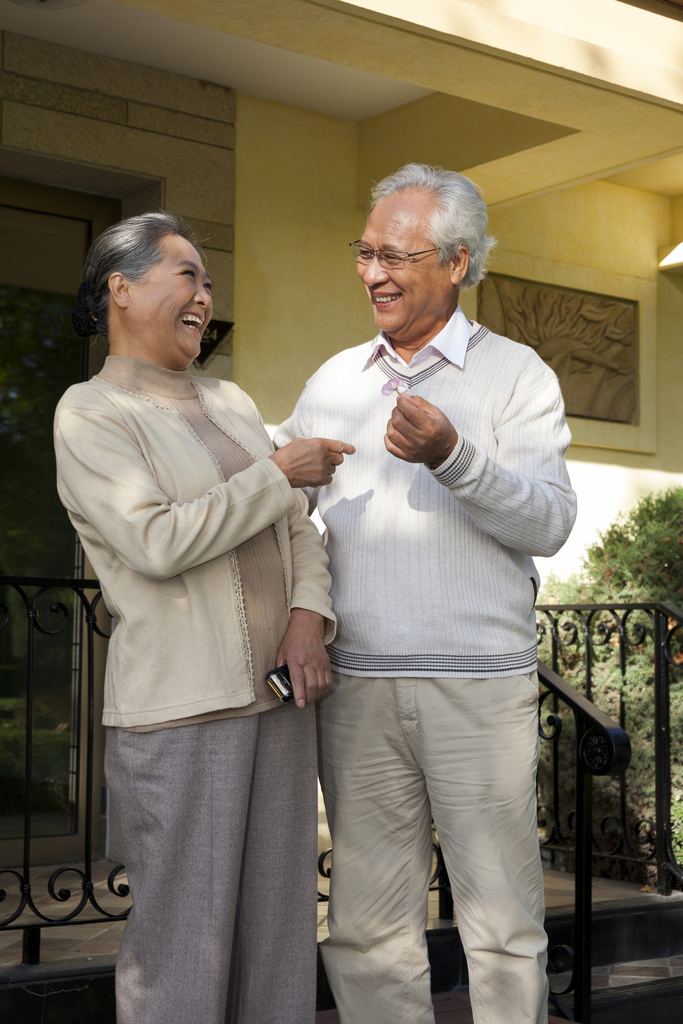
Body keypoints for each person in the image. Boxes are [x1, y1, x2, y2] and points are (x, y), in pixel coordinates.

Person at [275, 164, 577, 1024]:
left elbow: (549, 522)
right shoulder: (333, 380)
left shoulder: (517, 376)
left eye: (395, 255)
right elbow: (290, 517)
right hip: (357, 689)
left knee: (502, 926)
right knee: (367, 930)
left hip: (478, 690)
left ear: (457, 262)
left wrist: (455, 457)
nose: (372, 271)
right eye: (364, 251)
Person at [54, 212, 354, 1024]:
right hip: (181, 714)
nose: (204, 295)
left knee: (279, 936)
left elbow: (299, 530)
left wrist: (305, 622)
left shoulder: (229, 400)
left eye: (208, 280)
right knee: (184, 945)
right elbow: (153, 541)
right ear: (120, 287)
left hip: (281, 701)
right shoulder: (90, 412)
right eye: (186, 274)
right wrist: (276, 470)